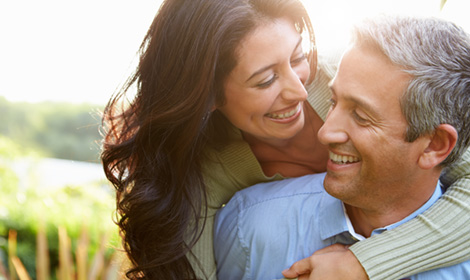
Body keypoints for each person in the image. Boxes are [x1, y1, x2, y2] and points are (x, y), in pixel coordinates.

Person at [100, 0, 470, 278]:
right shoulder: (206, 173)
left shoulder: (360, 78)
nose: (299, 90)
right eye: (265, 80)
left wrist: (362, 266)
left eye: (297, 57)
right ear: (208, 95)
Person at [214, 15, 470, 280]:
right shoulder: (248, 226)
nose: (325, 133)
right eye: (333, 101)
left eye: (360, 115)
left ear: (435, 145)